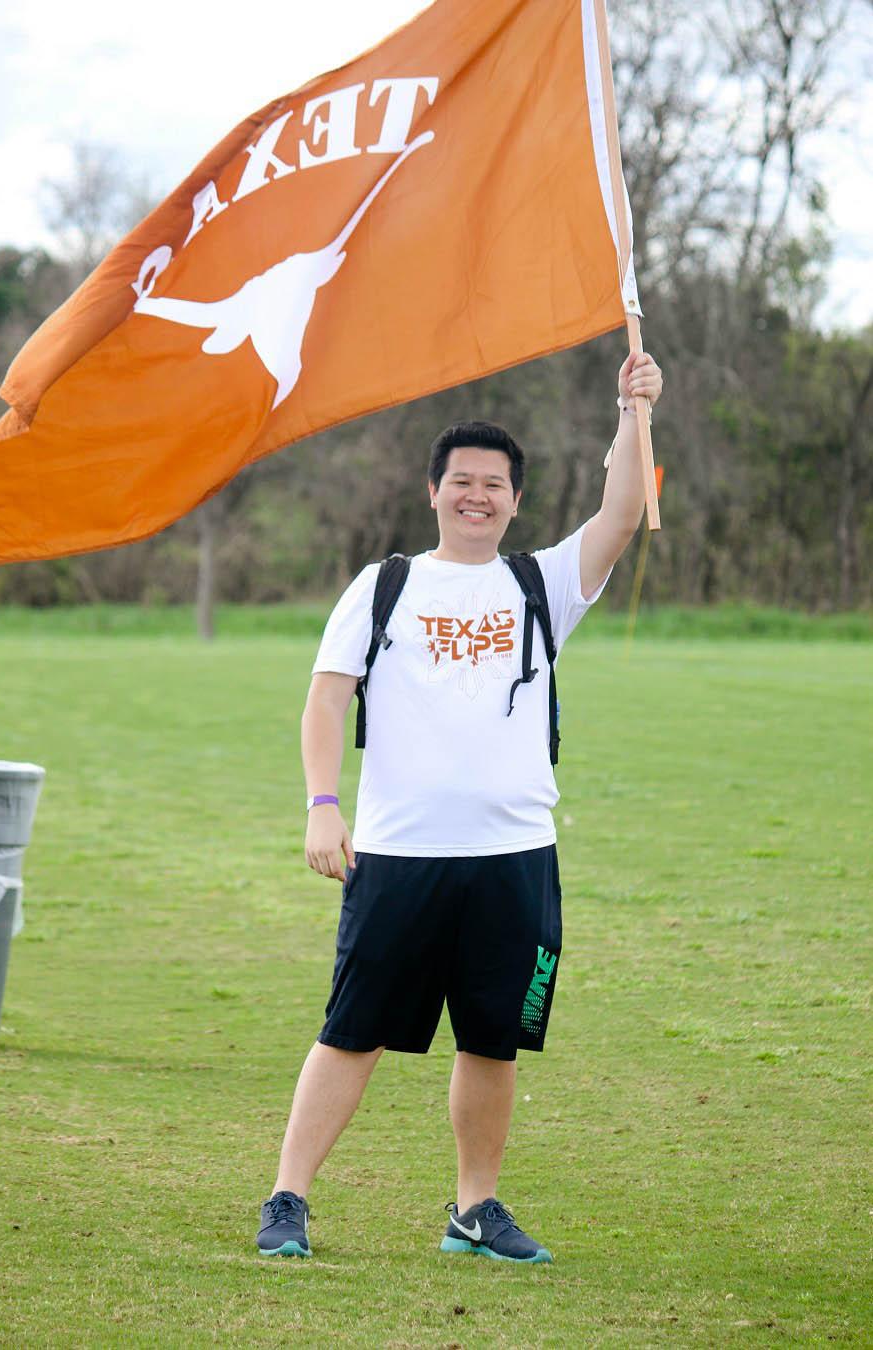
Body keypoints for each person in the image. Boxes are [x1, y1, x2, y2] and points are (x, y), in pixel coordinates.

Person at [256, 351, 664, 1262]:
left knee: (493, 1040)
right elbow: (326, 700)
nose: (477, 495)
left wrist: (633, 414)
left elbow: (623, 512)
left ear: (516, 500)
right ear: (434, 491)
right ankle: (288, 1198)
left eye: (495, 484)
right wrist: (323, 804)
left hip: (515, 856)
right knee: (351, 1032)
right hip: (399, 855)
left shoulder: (539, 585)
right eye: (462, 482)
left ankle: (474, 1210)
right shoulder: (383, 585)